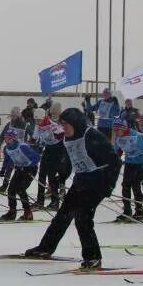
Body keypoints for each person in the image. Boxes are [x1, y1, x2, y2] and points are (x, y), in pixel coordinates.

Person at [24, 107, 120, 268]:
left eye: (66, 124)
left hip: (99, 181)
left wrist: (109, 185)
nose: (63, 128)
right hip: (81, 181)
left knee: (83, 217)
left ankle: (93, 256)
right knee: (63, 215)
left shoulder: (91, 135)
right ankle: (46, 248)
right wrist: (61, 176)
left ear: (75, 123)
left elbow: (115, 162)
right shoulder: (68, 138)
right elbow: (71, 160)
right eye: (61, 124)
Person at [0, 128, 40, 220]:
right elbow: (7, 160)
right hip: (19, 169)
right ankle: (12, 212)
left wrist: (29, 164)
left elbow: (37, 158)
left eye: (9, 138)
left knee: (21, 189)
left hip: (30, 169)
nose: (7, 140)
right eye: (6, 137)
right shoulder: (7, 148)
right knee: (11, 190)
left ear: (14, 138)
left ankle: (28, 213)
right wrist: (3, 170)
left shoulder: (22, 147)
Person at [112, 120, 143, 222]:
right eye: (114, 129)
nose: (115, 132)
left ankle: (139, 212)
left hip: (140, 163)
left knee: (135, 185)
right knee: (125, 185)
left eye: (117, 130)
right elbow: (116, 150)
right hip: (129, 163)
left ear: (124, 128)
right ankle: (127, 211)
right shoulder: (118, 136)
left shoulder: (137, 136)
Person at [33, 112, 69, 210]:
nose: (37, 122)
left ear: (44, 118)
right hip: (48, 149)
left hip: (57, 150)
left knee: (51, 176)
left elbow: (63, 136)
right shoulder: (38, 126)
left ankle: (55, 202)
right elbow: (35, 139)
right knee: (41, 175)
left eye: (39, 120)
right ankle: (40, 201)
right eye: (36, 120)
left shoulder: (53, 126)